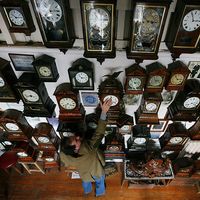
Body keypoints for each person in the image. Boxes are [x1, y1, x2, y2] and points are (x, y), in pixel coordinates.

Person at [60, 98, 112, 197]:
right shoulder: (88, 149)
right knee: (100, 182)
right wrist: (104, 112)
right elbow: (99, 133)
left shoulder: (64, 154)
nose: (78, 137)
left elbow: (63, 155)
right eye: (76, 140)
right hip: (96, 172)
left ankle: (87, 191)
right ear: (75, 149)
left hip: (84, 174)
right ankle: (100, 192)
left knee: (85, 181)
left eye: (75, 137)